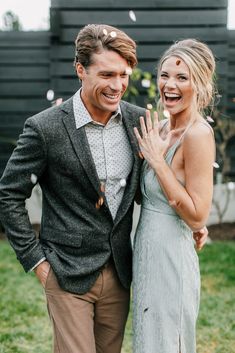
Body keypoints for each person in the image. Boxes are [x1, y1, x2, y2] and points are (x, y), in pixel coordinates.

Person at [0, 25, 207, 353]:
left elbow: (146, 188)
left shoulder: (140, 121)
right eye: (107, 74)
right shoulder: (45, 128)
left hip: (122, 273)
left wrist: (193, 218)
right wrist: (36, 260)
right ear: (80, 70)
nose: (117, 85)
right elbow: (8, 194)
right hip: (66, 272)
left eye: (123, 75)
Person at [132, 38, 216, 353]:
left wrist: (156, 162)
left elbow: (197, 215)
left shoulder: (198, 135)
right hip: (148, 255)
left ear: (201, 83)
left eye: (182, 77)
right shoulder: (165, 129)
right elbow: (154, 196)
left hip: (171, 262)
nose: (170, 84)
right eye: (165, 75)